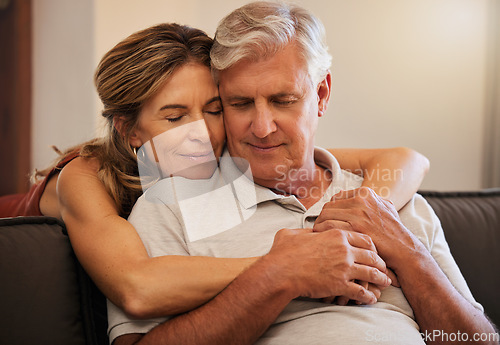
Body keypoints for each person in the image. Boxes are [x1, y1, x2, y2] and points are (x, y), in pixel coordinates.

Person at [109, 2, 498, 345]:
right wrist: (277, 276)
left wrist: (408, 253)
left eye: (283, 101)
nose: (261, 127)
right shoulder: (170, 205)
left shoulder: (390, 200)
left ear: (322, 95)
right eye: (240, 103)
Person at [0, 22, 430, 321]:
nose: (202, 134)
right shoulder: (85, 177)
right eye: (174, 117)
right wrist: (293, 264)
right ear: (128, 129)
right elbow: (138, 287)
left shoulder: (230, 153)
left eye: (214, 109)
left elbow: (404, 159)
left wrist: (370, 220)